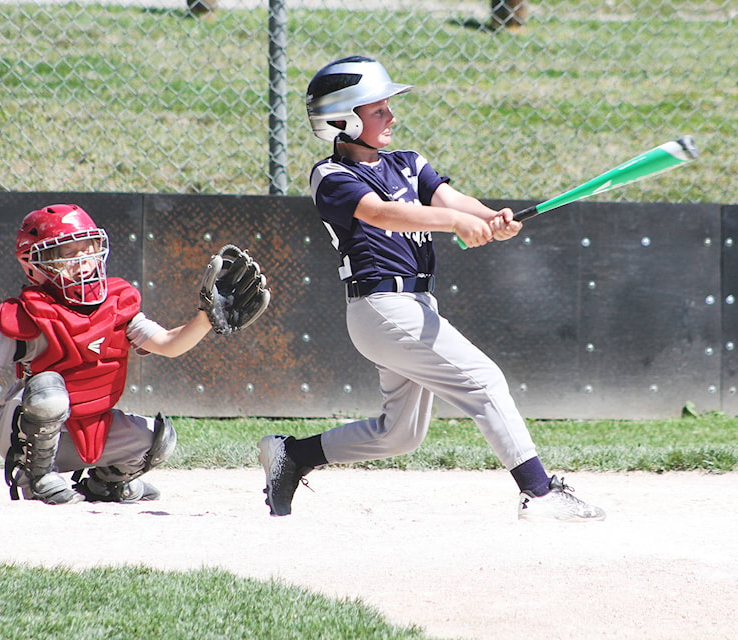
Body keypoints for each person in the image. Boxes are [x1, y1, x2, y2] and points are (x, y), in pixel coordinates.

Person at [256, 56, 604, 522]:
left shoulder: (408, 163)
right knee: (483, 380)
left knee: (399, 434)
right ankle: (539, 493)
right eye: (379, 110)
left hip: (417, 306)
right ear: (343, 120)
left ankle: (292, 456)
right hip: (381, 307)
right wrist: (458, 223)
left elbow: (450, 200)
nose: (391, 117)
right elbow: (383, 214)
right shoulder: (331, 176)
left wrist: (489, 218)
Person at [0, 204, 269, 505]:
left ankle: (106, 484)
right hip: (23, 430)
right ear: (34, 265)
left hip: (89, 423)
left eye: (88, 249)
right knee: (48, 389)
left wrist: (205, 318)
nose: (82, 260)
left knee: (159, 438)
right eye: (68, 253)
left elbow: (169, 343)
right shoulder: (31, 312)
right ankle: (35, 476)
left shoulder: (118, 302)